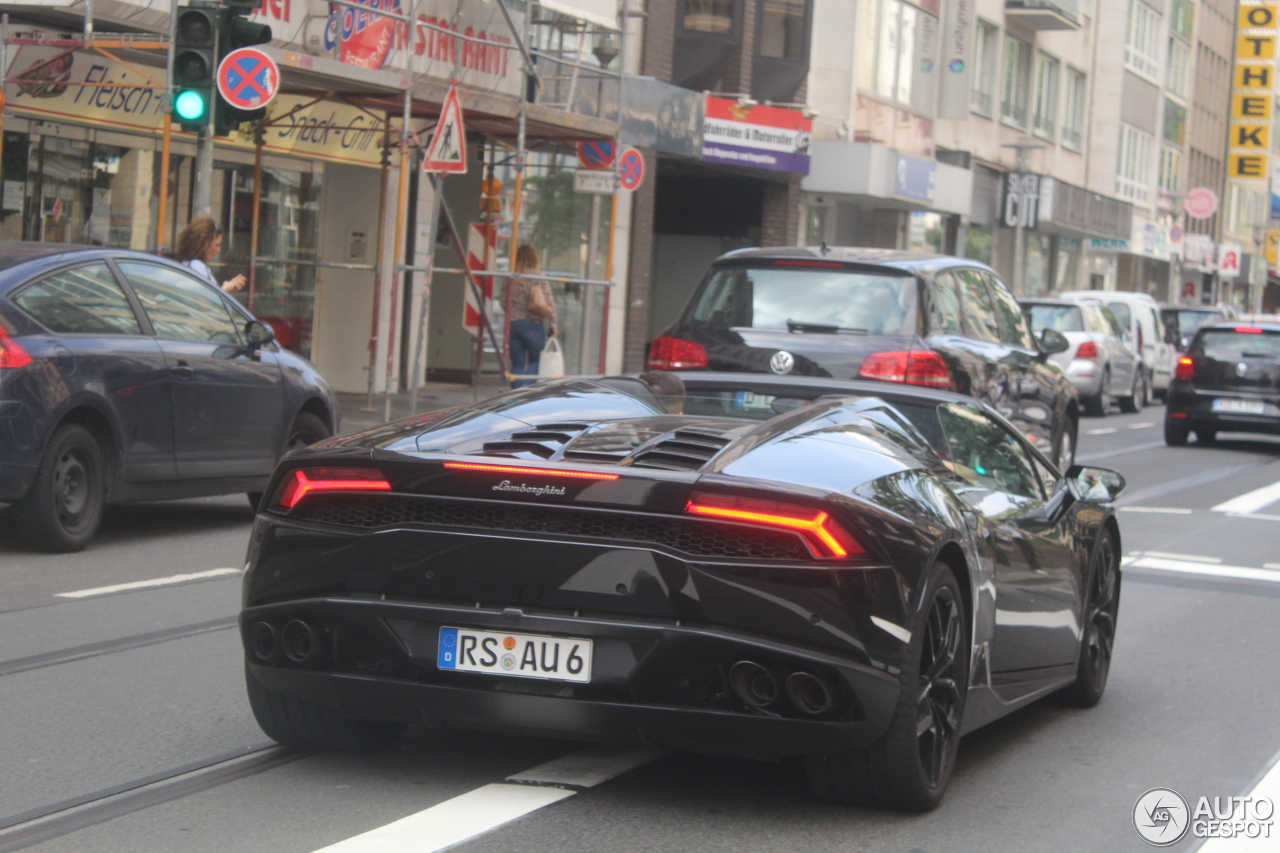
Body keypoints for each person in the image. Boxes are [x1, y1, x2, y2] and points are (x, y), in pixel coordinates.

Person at [505, 244, 557, 388]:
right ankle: (525, 391)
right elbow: (549, 301)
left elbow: (504, 301)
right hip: (533, 324)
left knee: (517, 365)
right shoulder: (539, 277)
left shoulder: (512, 277)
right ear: (535, 258)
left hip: (514, 324)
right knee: (536, 362)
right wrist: (553, 323)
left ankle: (515, 395)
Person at [173, 216, 246, 293]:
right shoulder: (196, 266)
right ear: (204, 244)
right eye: (216, 245)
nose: (219, 250)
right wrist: (225, 290)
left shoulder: (189, 264)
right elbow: (206, 300)